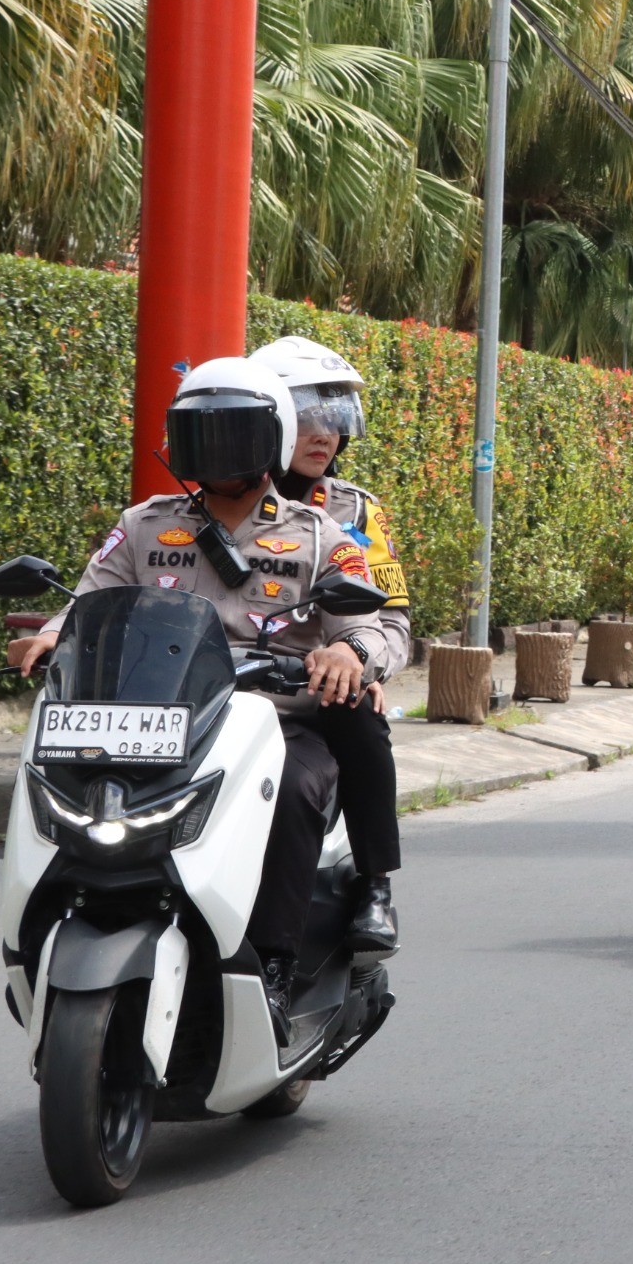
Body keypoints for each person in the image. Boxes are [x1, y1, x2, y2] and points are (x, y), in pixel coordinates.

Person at [7, 359, 399, 1028]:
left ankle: (275, 966)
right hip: (154, 716)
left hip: (268, 718)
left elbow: (375, 624)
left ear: (266, 440)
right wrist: (51, 634)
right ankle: (43, 932)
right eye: (202, 432)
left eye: (235, 432)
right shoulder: (144, 526)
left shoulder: (318, 537)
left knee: (302, 791)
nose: (217, 448)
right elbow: (92, 594)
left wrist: (346, 651)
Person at [252, 334, 408, 953]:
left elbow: (391, 619)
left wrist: (357, 660)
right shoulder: (197, 506)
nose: (325, 437)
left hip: (310, 689)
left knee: (361, 716)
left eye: (337, 422)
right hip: (208, 684)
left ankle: (374, 883)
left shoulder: (355, 513)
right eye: (308, 419)